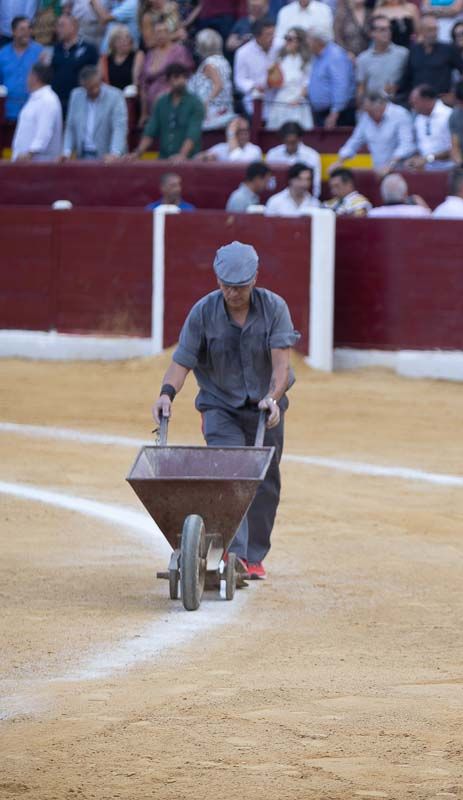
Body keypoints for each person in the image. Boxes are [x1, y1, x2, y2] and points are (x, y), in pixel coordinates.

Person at [152, 241, 299, 581]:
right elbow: (181, 362)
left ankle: (254, 556)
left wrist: (273, 398)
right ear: (217, 280)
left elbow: (281, 367)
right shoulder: (203, 311)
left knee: (265, 479)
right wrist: (166, 394)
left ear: (255, 279)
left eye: (241, 286)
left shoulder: (275, 307)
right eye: (227, 285)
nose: (233, 292)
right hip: (220, 407)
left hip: (265, 407)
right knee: (231, 471)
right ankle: (235, 554)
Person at [129, 63, 204, 160]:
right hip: (164, 159)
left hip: (189, 160)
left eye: (184, 77)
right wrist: (137, 153)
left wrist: (182, 155)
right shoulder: (161, 102)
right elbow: (150, 130)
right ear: (168, 81)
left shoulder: (195, 103)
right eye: (176, 77)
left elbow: (193, 133)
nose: (181, 80)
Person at [332, 91, 416, 174]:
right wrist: (339, 161)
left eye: (370, 112)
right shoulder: (366, 117)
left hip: (401, 170)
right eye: (366, 112)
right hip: (378, 170)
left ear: (381, 105)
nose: (368, 115)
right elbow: (354, 141)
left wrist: (390, 164)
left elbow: (406, 145)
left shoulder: (400, 114)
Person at [62, 64, 126, 160]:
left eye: (97, 85)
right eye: (90, 88)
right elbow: (70, 127)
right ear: (83, 87)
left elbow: (119, 128)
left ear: (100, 81)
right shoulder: (76, 96)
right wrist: (66, 152)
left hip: (107, 157)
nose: (95, 90)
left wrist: (115, 153)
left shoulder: (115, 96)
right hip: (82, 156)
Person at [138, 19, 192, 122]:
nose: (161, 35)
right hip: (152, 106)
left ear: (170, 33)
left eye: (164, 31)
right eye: (158, 32)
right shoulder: (150, 55)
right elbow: (143, 85)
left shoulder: (179, 51)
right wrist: (143, 113)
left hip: (173, 102)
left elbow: (183, 78)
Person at [399, 15, 463, 97]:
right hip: (418, 101)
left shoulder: (448, 49)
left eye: (436, 29)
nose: (434, 33)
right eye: (430, 30)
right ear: (421, 31)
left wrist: (455, 94)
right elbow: (406, 78)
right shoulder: (414, 50)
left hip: (441, 101)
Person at [265, 27, 314, 130]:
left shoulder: (306, 61)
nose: (287, 42)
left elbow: (307, 83)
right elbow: (273, 82)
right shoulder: (280, 59)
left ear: (299, 41)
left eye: (290, 39)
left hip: (297, 102)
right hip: (281, 100)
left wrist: (298, 99)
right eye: (286, 38)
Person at [11, 62, 61, 161]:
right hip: (24, 162)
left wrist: (30, 153)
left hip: (37, 163)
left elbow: (45, 132)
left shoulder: (48, 100)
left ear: (34, 77)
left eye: (28, 75)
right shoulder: (34, 98)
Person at [307, 27, 355, 128]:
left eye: (309, 39)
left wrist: (334, 113)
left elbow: (341, 85)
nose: (307, 43)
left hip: (336, 115)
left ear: (318, 41)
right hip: (321, 113)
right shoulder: (316, 56)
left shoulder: (335, 55)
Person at [189, 28, 235, 131]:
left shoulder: (209, 64)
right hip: (225, 107)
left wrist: (206, 102)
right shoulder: (224, 61)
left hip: (212, 111)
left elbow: (218, 85)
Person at [50, 15, 99, 111]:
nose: (57, 29)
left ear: (74, 27)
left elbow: (96, 74)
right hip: (56, 102)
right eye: (57, 26)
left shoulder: (89, 48)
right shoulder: (55, 48)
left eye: (62, 25)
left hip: (81, 102)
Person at [0, 16, 44, 123]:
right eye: (22, 29)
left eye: (29, 28)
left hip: (33, 111)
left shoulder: (40, 52)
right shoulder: (2, 54)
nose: (27, 32)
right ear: (13, 31)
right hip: (8, 112)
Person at [356, 14, 408, 102]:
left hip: (397, 104)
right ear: (372, 33)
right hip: (373, 106)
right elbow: (361, 89)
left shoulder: (403, 54)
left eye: (389, 29)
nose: (387, 32)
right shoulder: (363, 59)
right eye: (382, 29)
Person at [266, 121, 323, 196]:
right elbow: (268, 183)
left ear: (300, 139)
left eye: (293, 142)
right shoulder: (272, 154)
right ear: (282, 140)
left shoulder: (312, 155)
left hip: (305, 200)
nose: (290, 146)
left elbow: (316, 186)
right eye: (287, 142)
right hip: (278, 200)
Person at [405, 83, 454, 169]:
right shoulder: (418, 119)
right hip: (427, 171)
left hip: (448, 170)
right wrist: (414, 159)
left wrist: (429, 158)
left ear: (426, 100)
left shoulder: (448, 115)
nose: (413, 107)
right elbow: (421, 147)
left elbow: (454, 149)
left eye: (415, 103)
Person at [234, 18, 276, 116]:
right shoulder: (243, 53)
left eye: (273, 33)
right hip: (254, 101)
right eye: (268, 35)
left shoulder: (279, 46)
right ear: (257, 36)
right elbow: (239, 79)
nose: (272, 38)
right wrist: (253, 86)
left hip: (278, 100)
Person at [100, 23, 142, 92]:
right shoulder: (104, 59)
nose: (125, 41)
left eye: (127, 37)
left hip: (131, 97)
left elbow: (136, 81)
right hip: (112, 99)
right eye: (120, 39)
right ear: (113, 43)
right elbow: (101, 83)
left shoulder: (137, 55)